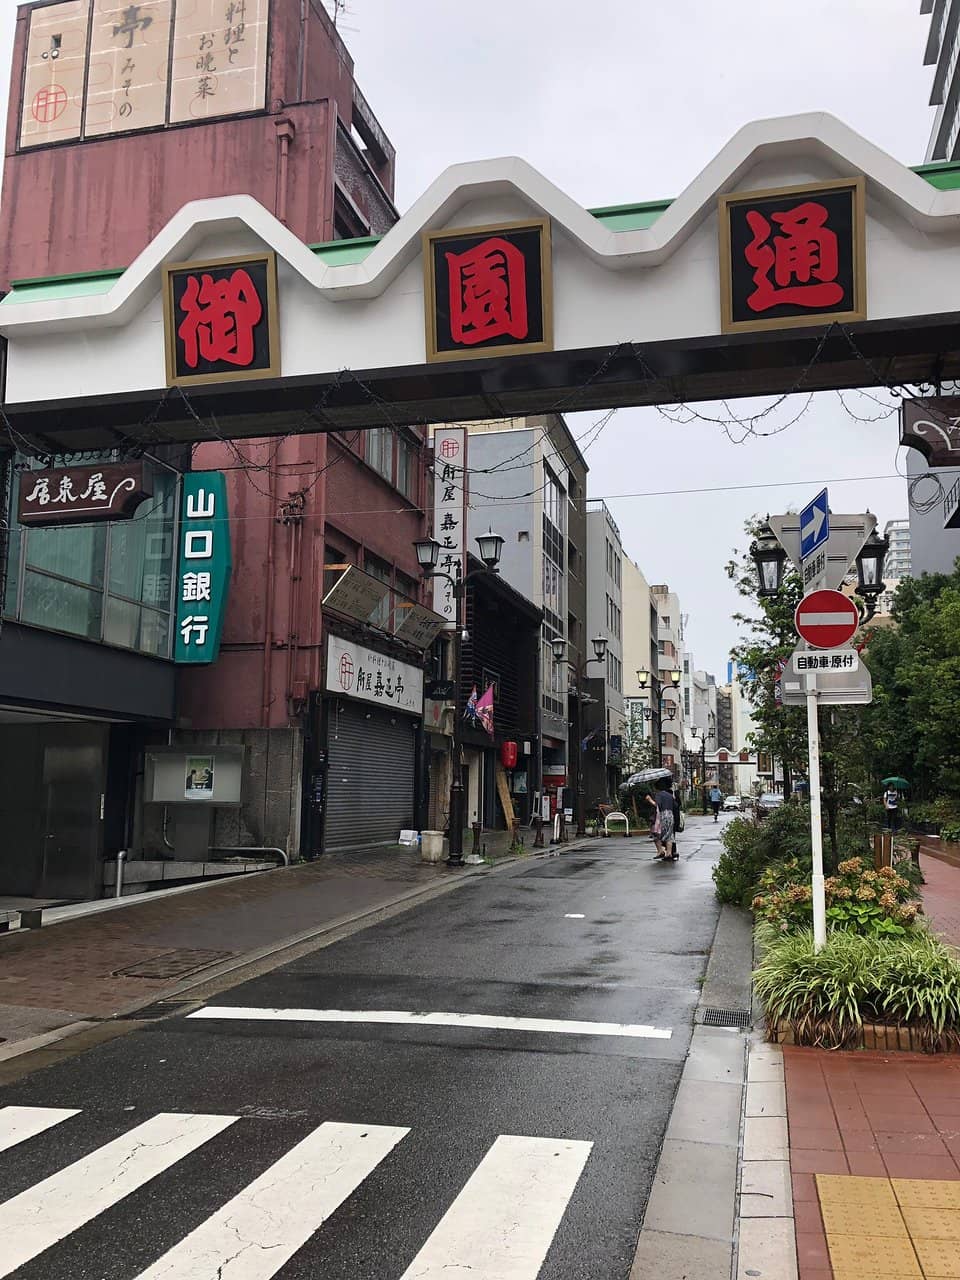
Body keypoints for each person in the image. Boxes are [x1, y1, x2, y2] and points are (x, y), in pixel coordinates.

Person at [646, 779, 681, 861]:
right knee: (669, 835)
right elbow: (675, 805)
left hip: (662, 815)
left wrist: (650, 800)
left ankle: (660, 851)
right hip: (670, 815)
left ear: (657, 788)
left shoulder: (659, 795)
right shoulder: (670, 795)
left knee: (655, 834)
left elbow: (658, 805)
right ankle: (668, 853)